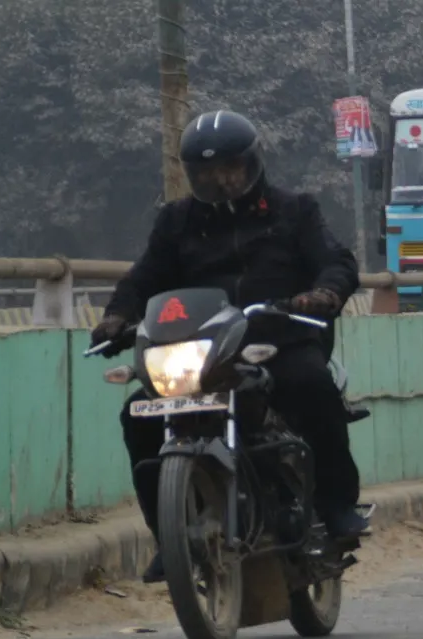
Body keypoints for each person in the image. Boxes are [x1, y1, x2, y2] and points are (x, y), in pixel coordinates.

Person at [91, 110, 366, 584]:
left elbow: (335, 261)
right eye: (206, 173)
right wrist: (117, 317)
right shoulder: (176, 222)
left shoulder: (295, 210)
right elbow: (144, 278)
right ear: (191, 175)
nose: (220, 181)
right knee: (138, 413)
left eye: (229, 170)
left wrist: (324, 292)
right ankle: (168, 534)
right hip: (203, 350)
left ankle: (338, 505)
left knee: (312, 386)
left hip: (279, 340)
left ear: (252, 163)